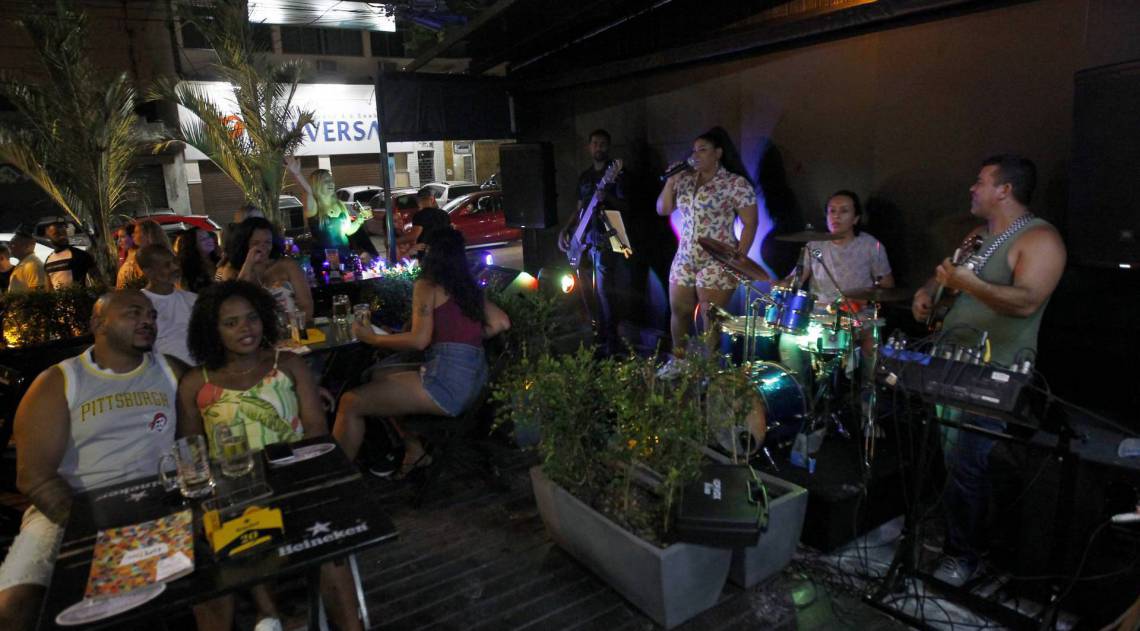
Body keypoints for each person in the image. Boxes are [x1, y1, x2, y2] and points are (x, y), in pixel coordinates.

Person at [911, 155, 1066, 586]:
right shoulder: (979, 235)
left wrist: (969, 285)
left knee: (969, 463)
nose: (972, 189)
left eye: (980, 182)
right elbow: (942, 276)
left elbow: (1028, 300)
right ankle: (956, 539)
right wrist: (927, 292)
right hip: (951, 363)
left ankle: (966, 555)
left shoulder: (1040, 239)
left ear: (1005, 190)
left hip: (995, 370)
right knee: (948, 458)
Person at [177, 280, 359, 631]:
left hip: (292, 480)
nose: (245, 329)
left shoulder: (288, 364)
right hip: (232, 492)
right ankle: (270, 611)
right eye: (230, 323)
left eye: (251, 318)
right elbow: (192, 450)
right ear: (211, 331)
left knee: (331, 552)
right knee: (225, 541)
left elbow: (316, 431)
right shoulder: (195, 383)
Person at [0, 290, 185, 631]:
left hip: (155, 503)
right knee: (15, 606)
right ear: (98, 323)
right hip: (69, 511)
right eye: (134, 312)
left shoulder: (171, 371)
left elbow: (204, 422)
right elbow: (35, 478)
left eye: (152, 315)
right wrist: (90, 532)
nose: (148, 320)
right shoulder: (60, 381)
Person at [333, 228, 510, 474]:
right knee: (379, 376)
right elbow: (502, 322)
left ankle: (337, 479)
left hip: (447, 388)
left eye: (418, 247)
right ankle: (414, 447)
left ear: (429, 254)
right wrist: (461, 339)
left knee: (350, 401)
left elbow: (418, 341)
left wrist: (371, 338)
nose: (413, 251)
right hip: (475, 385)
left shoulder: (427, 285)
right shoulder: (465, 286)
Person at [655, 127, 759, 376]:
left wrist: (738, 258)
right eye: (694, 150)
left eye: (703, 149)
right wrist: (671, 181)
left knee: (709, 320)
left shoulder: (734, 183)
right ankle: (679, 362)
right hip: (686, 254)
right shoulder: (686, 179)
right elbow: (663, 208)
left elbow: (750, 222)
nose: (696, 154)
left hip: (718, 257)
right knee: (679, 310)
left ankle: (707, 371)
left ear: (718, 153)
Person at [777, 191, 894, 385]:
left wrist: (864, 298)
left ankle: (867, 399)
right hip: (818, 313)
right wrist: (780, 284)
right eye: (832, 211)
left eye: (844, 211)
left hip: (856, 313)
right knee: (787, 341)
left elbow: (888, 284)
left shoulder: (871, 245)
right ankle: (802, 397)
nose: (836, 216)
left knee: (871, 343)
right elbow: (796, 279)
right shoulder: (814, 244)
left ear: (856, 218)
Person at [557, 128, 630, 355]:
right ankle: (596, 334)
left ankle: (612, 342)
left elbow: (626, 206)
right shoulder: (585, 176)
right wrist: (566, 230)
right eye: (595, 143)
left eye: (602, 144)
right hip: (584, 240)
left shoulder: (617, 174)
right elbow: (579, 208)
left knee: (605, 292)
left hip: (605, 239)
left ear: (608, 147)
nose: (598, 147)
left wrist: (606, 196)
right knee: (586, 290)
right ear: (589, 147)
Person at [218, 216, 314, 325]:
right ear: (245, 244)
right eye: (256, 243)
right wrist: (249, 264)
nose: (263, 248)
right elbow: (232, 307)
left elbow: (307, 307)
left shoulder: (287, 265)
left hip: (291, 331)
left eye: (267, 242)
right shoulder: (232, 270)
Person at [283, 157, 372, 269]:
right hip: (323, 259)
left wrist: (359, 220)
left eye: (331, 180)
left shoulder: (340, 204)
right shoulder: (314, 206)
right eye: (326, 181)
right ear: (317, 185)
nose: (330, 183)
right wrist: (297, 174)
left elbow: (348, 231)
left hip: (345, 255)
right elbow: (308, 191)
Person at [138, 244, 197, 365]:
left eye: (175, 261)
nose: (175, 267)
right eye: (167, 265)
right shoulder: (140, 305)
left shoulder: (192, 299)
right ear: (149, 272)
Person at [43, 221, 99, 290]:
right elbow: (48, 288)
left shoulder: (81, 255)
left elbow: (98, 280)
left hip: (82, 299)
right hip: (59, 300)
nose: (62, 236)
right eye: (56, 234)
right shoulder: (48, 261)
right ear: (48, 236)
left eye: (63, 232)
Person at [116, 219, 170, 289]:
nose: (119, 241)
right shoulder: (125, 256)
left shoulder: (141, 257)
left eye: (123, 237)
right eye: (118, 237)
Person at [173, 227, 220, 293]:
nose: (209, 241)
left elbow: (220, 281)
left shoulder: (218, 261)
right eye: (203, 239)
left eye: (209, 237)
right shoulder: (186, 269)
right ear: (193, 244)